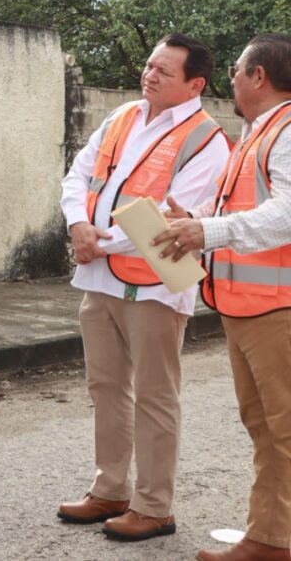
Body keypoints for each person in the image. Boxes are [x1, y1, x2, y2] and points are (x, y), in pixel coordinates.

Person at [57, 33, 229, 542]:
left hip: (155, 285)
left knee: (155, 395)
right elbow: (78, 175)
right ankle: (110, 489)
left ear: (194, 84)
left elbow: (173, 226)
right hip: (100, 277)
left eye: (163, 71)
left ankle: (154, 506)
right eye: (150, 65)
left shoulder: (206, 140)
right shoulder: (124, 116)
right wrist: (76, 226)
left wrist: (96, 243)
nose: (149, 75)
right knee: (106, 387)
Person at [156, 34, 291, 561]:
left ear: (259, 77)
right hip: (248, 306)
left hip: (275, 310)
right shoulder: (259, 132)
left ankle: (269, 541)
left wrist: (207, 233)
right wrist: (195, 224)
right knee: (266, 427)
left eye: (237, 69)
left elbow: (286, 214)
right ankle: (271, 537)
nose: (230, 78)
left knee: (280, 430)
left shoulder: (284, 130)